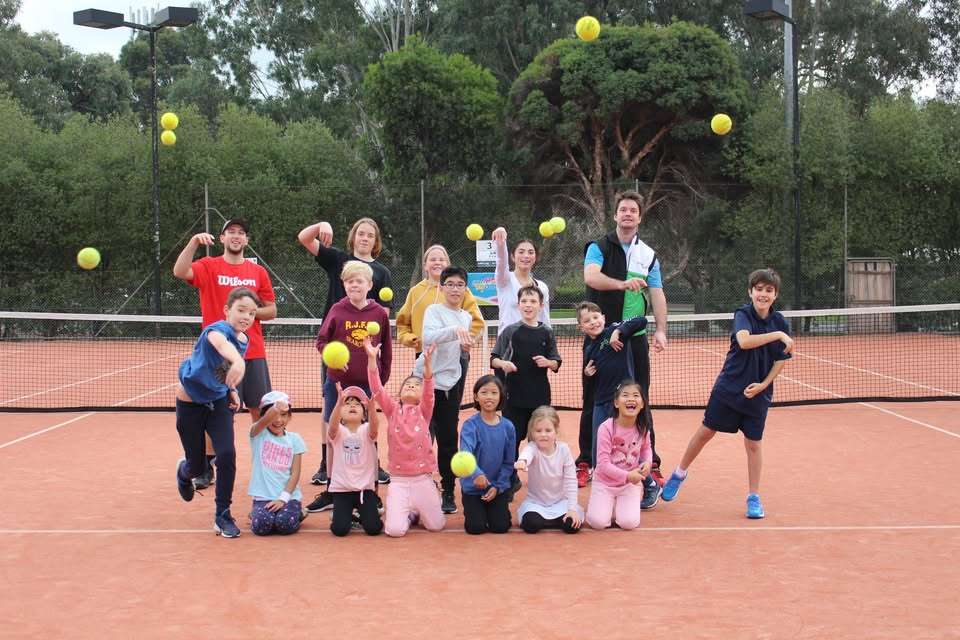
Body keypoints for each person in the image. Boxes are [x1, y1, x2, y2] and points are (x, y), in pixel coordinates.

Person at [661, 269, 793, 519]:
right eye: (759, 289)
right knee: (705, 432)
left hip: (758, 395)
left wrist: (764, 385)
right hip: (728, 388)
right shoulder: (743, 314)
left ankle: (754, 497)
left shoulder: (780, 322)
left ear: (775, 295)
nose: (763, 294)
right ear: (750, 291)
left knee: (754, 445)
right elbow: (744, 341)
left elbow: (781, 359)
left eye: (769, 290)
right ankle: (679, 473)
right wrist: (777, 335)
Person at [173, 218, 277, 490]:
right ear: (221, 238)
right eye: (231, 232)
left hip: (253, 352)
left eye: (241, 233)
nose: (236, 236)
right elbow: (179, 271)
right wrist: (194, 242)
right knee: (217, 410)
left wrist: (247, 313)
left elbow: (272, 310)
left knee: (260, 408)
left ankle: (265, 463)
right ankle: (206, 466)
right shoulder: (208, 266)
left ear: (247, 241)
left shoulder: (258, 272)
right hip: (216, 355)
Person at [582, 190, 667, 509]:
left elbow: (657, 293)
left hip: (634, 339)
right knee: (595, 401)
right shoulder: (598, 247)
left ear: (640, 217)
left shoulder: (648, 254)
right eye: (623, 210)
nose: (628, 214)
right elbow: (591, 277)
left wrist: (660, 330)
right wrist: (622, 284)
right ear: (615, 216)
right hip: (600, 336)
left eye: (633, 210)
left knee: (637, 400)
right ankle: (593, 466)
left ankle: (648, 471)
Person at [297, 217, 392, 487]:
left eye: (370, 235)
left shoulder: (382, 272)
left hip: (367, 363)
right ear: (353, 237)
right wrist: (320, 225)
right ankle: (326, 464)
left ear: (375, 242)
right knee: (331, 410)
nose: (365, 238)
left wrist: (377, 365)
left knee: (368, 412)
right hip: (336, 355)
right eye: (360, 233)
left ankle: (373, 463)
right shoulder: (338, 259)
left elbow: (382, 318)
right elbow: (304, 238)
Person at [306, 260, 390, 514]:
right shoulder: (337, 309)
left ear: (370, 285)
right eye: (349, 280)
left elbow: (385, 349)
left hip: (367, 385)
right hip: (337, 384)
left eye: (359, 280)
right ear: (344, 284)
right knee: (335, 437)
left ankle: (371, 491)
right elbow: (321, 341)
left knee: (369, 436)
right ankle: (333, 489)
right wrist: (334, 358)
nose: (354, 284)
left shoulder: (378, 313)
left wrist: (380, 381)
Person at [174, 287, 258, 539]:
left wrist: (230, 389)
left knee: (226, 454)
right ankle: (184, 471)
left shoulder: (244, 339)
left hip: (218, 402)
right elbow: (222, 348)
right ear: (227, 310)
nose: (246, 316)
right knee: (198, 468)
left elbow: (222, 370)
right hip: (190, 404)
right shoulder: (215, 330)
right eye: (241, 310)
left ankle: (223, 514)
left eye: (252, 313)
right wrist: (240, 362)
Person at [410, 265, 476, 515]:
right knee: (420, 437)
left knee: (448, 439)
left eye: (460, 285)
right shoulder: (433, 310)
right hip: (424, 380)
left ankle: (448, 490)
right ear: (442, 287)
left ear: (465, 289)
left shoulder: (467, 316)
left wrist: (465, 348)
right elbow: (428, 338)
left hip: (450, 384)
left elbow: (458, 349)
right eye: (450, 284)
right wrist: (455, 332)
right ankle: (418, 486)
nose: (455, 289)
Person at [367, 339, 445, 537]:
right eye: (407, 384)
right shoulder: (392, 410)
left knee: (436, 526)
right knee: (394, 531)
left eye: (415, 385)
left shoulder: (424, 411)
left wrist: (427, 366)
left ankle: (421, 505)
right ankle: (408, 513)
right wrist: (371, 359)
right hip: (399, 481)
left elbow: (429, 390)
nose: (411, 386)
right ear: (400, 393)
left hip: (423, 479)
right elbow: (377, 389)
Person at [490, 285, 561, 498]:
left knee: (541, 440)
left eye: (533, 302)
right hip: (513, 397)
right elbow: (493, 358)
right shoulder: (510, 331)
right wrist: (503, 364)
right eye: (524, 301)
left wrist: (548, 362)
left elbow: (557, 362)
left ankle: (542, 484)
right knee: (511, 442)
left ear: (540, 305)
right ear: (518, 305)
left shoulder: (547, 332)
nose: (528, 305)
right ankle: (510, 481)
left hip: (539, 398)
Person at [577, 301, 648, 470]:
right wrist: (587, 373)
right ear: (582, 328)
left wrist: (618, 331)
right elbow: (593, 376)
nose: (593, 322)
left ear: (603, 318)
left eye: (595, 317)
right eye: (587, 321)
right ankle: (600, 475)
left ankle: (643, 480)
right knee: (599, 441)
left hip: (623, 400)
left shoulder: (615, 330)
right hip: (601, 401)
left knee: (629, 440)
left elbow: (641, 320)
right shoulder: (590, 349)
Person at [585, 380, 652, 531]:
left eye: (636, 395)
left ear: (642, 404)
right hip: (604, 483)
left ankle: (619, 504)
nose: (630, 399)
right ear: (616, 403)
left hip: (629, 485)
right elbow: (602, 465)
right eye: (625, 395)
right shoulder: (606, 428)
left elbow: (647, 449)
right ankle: (606, 503)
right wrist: (628, 475)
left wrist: (647, 462)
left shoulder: (643, 427)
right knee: (597, 523)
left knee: (629, 523)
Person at [458, 375, 515, 534]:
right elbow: (465, 453)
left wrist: (498, 486)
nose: (489, 397)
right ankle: (474, 510)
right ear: (476, 396)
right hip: (473, 487)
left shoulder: (508, 427)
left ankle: (499, 510)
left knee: (500, 527)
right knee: (476, 528)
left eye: (494, 392)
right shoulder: (470, 425)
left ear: (501, 396)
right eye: (484, 392)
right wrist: (477, 474)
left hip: (496, 487)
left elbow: (508, 462)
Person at [326, 383, 384, 537]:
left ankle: (365, 514)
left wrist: (372, 408)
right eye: (347, 404)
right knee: (339, 530)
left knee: (373, 529)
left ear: (363, 415)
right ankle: (346, 515)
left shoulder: (366, 430)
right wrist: (338, 404)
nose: (352, 406)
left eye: (357, 404)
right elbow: (331, 427)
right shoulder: (338, 432)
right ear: (340, 414)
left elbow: (374, 427)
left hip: (364, 490)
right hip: (342, 489)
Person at [514, 406, 583, 534]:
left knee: (571, 526)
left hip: (561, 503)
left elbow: (571, 481)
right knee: (531, 524)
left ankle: (558, 518)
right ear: (532, 433)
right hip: (536, 504)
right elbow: (526, 455)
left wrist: (572, 509)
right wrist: (522, 461)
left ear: (556, 431)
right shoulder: (532, 447)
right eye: (538, 431)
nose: (543, 434)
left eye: (548, 430)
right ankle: (549, 520)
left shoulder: (564, 450)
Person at [247, 391, 306, 536]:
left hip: (288, 497)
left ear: (290, 417)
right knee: (261, 526)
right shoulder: (257, 434)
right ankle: (257, 513)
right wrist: (275, 409)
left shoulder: (295, 439)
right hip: (263, 497)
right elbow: (262, 422)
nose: (278, 419)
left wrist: (283, 498)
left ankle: (298, 513)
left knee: (284, 524)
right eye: (274, 415)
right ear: (265, 417)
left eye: (283, 414)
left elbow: (295, 473)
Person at [491, 227, 550, 332]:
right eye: (521, 252)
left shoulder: (542, 287)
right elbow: (501, 261)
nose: (526, 256)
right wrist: (501, 242)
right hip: (508, 344)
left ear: (535, 258)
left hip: (534, 344)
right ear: (513, 257)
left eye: (531, 252)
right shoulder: (505, 280)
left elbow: (545, 320)